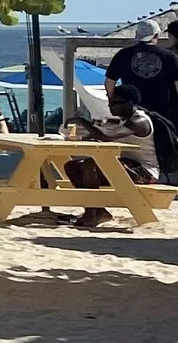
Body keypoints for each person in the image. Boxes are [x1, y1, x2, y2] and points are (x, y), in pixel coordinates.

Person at [67, 81, 163, 229]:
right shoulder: (124, 120)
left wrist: (82, 122)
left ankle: (92, 213)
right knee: (72, 166)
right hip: (128, 165)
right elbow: (107, 134)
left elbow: (107, 136)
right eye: (110, 102)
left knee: (89, 165)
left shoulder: (138, 120)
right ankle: (97, 211)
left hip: (144, 172)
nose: (110, 106)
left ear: (130, 103)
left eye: (115, 103)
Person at [105, 18, 178, 174]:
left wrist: (113, 101)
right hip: (163, 114)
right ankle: (162, 177)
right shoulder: (169, 56)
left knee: (135, 150)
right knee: (162, 151)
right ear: (156, 35)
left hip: (134, 113)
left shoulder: (123, 54)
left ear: (137, 36)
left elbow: (110, 83)